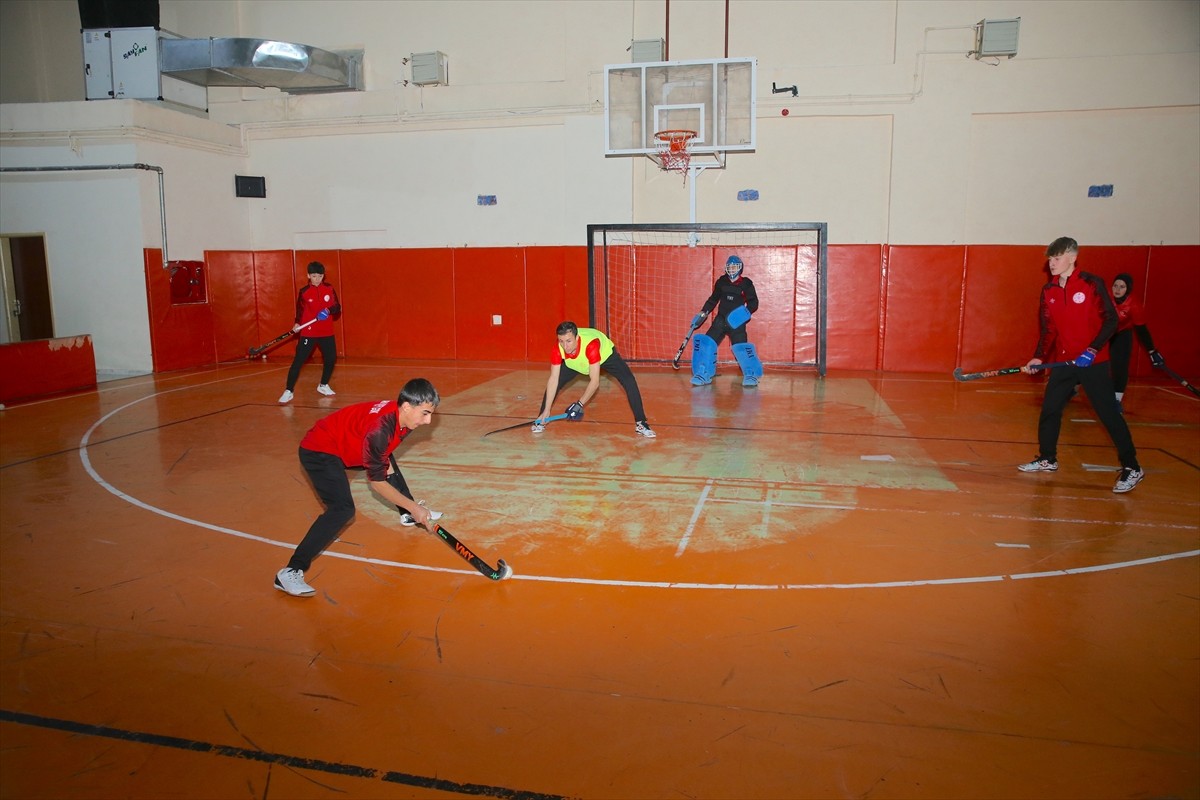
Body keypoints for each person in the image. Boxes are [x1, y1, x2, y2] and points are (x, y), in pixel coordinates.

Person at [274, 378, 445, 597]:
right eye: (425, 413)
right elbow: (377, 483)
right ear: (406, 406)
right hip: (319, 450)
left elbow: (383, 460)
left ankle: (407, 514)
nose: (428, 421)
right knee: (342, 509)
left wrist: (409, 507)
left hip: (348, 445)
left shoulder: (404, 419)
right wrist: (414, 506)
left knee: (386, 460)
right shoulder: (380, 431)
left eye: (431, 413)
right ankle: (290, 571)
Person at [1019, 237, 1144, 493]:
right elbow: (1048, 329)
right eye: (1050, 259)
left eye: (1057, 258)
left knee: (1108, 413)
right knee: (1050, 409)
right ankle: (1047, 458)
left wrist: (1092, 350)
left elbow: (1111, 321)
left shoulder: (1091, 283)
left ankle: (1132, 467)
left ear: (1072, 258)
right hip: (1065, 361)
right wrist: (1039, 357)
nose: (1052, 263)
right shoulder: (1049, 290)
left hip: (1093, 362)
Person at [534, 321, 656, 438]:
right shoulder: (558, 348)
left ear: (577, 338)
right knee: (557, 382)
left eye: (569, 341)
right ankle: (542, 417)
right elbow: (553, 379)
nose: (565, 346)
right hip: (576, 363)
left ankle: (641, 423)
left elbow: (595, 381)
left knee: (629, 381)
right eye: (561, 341)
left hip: (605, 356)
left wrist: (579, 404)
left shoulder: (591, 344)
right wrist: (547, 409)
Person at [690, 255, 763, 387]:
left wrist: (744, 314)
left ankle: (750, 374)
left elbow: (754, 303)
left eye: (734, 266)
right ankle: (704, 373)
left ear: (740, 268)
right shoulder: (721, 281)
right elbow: (713, 299)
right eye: (729, 266)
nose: (732, 269)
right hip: (721, 319)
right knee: (707, 343)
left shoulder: (746, 283)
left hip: (737, 322)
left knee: (741, 348)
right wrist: (703, 312)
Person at [279, 261, 341, 404]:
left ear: (323, 276)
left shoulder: (329, 289)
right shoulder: (304, 292)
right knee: (299, 361)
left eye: (320, 276)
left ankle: (323, 385)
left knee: (331, 359)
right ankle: (289, 390)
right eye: (314, 276)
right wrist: (297, 323)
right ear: (308, 276)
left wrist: (328, 310)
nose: (317, 279)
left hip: (326, 331)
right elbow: (300, 310)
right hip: (309, 332)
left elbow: (337, 307)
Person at [1109, 273, 1163, 408]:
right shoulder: (1105, 298)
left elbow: (1142, 331)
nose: (1117, 289)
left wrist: (1152, 350)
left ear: (1128, 289)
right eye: (1115, 285)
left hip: (1122, 334)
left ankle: (1116, 399)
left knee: (1120, 367)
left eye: (1122, 287)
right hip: (1104, 332)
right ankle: (1074, 387)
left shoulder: (1134, 305)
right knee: (1088, 361)